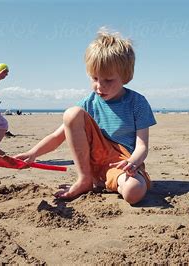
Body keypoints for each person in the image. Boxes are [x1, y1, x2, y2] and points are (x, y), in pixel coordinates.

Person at [16, 28, 156, 204]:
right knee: (72, 113)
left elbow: (142, 146)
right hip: (92, 164)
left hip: (121, 163)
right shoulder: (88, 103)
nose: (99, 86)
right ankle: (85, 179)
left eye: (108, 80)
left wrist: (133, 162)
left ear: (125, 76)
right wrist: (33, 153)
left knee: (133, 192)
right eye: (95, 78)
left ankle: (111, 182)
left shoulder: (137, 102)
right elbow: (56, 137)